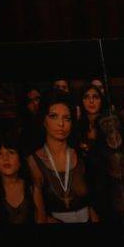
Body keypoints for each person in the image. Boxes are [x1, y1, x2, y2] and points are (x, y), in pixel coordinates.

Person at [28, 94, 95, 223]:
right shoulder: (34, 160)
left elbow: (93, 203)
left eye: (67, 118)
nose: (61, 123)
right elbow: (38, 215)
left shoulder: (82, 155)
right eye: (54, 116)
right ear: (44, 120)